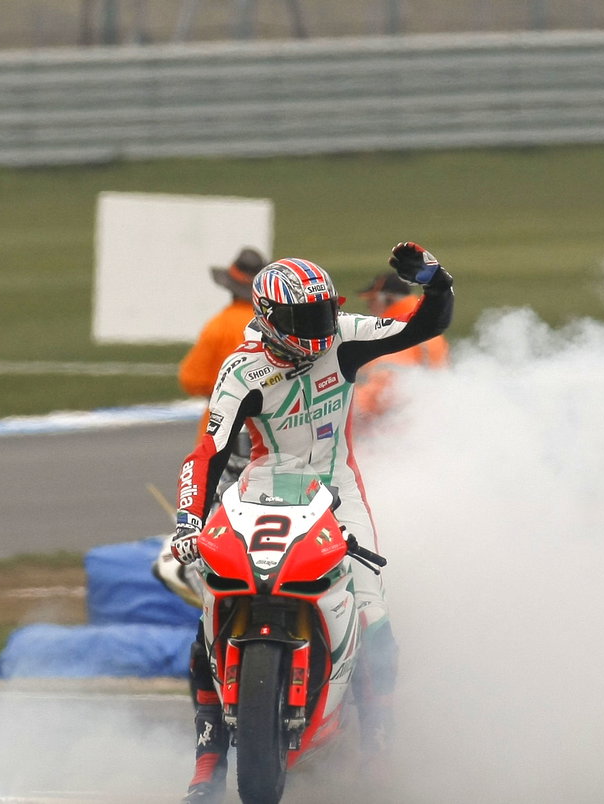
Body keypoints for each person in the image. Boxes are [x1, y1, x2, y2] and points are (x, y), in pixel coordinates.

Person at [168, 242, 453, 803]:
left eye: (326, 312)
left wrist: (437, 283)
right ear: (271, 321)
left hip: (336, 492)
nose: (322, 328)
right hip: (259, 491)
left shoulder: (343, 337)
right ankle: (207, 764)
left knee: (376, 621)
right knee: (211, 610)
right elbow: (208, 454)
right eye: (307, 318)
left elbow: (423, 326)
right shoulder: (241, 371)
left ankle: (378, 751)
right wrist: (187, 522)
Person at [177, 247, 267, 432]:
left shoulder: (218, 326)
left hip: (223, 424)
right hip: (272, 423)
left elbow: (191, 379)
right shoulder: (276, 323)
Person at [352, 271, 450, 422]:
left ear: (389, 299)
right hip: (430, 416)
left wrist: (347, 404)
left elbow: (383, 391)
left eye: (372, 300)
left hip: (397, 424)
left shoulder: (394, 332)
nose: (368, 306)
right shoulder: (426, 326)